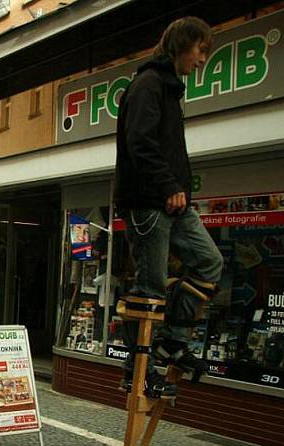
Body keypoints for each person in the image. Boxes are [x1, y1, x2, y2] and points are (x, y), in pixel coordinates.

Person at [114, 16, 223, 398]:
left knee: (209, 260)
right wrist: (168, 185)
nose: (203, 60)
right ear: (181, 45)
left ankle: (173, 340)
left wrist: (176, 189)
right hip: (149, 203)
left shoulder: (169, 89)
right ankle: (138, 372)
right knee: (150, 287)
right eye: (201, 50)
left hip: (172, 202)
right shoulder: (148, 84)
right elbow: (140, 142)